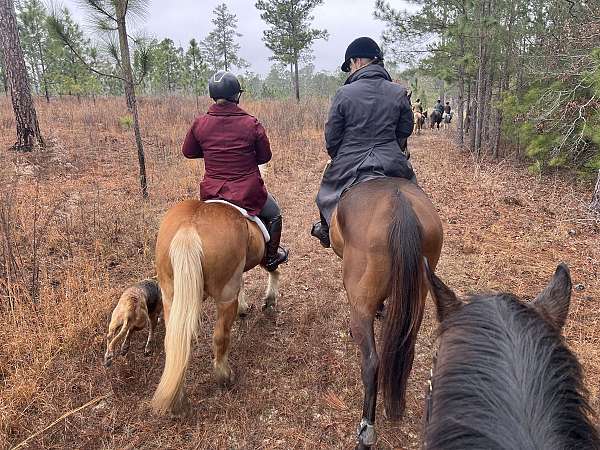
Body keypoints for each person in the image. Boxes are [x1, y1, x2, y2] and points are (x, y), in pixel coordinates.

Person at [311, 37, 415, 248]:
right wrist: (394, 147)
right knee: (414, 191)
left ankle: (325, 230)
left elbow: (332, 136)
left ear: (357, 61)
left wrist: (340, 156)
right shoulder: (398, 92)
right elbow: (406, 128)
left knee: (326, 190)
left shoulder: (344, 93)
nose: (350, 70)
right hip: (392, 158)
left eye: (349, 65)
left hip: (351, 159)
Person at [181, 71, 288, 271]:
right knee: (275, 214)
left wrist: (212, 152)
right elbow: (265, 157)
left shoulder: (200, 123)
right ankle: (272, 257)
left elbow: (188, 152)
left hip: (212, 191)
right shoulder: (251, 123)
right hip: (246, 192)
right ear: (236, 95)